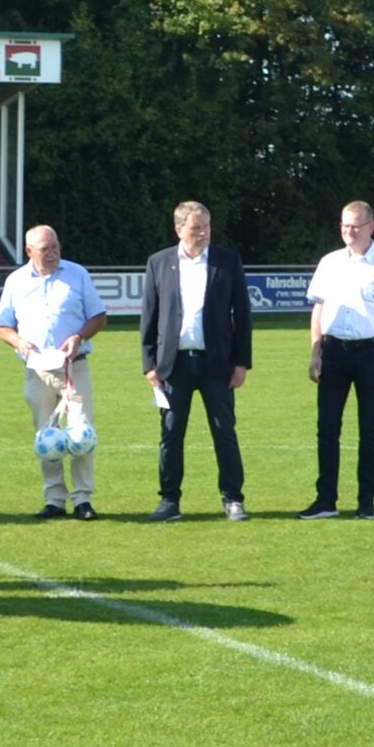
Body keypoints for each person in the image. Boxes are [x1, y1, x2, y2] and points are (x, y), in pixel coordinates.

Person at [141, 201, 254, 521]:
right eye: (195, 227)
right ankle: (169, 501)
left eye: (206, 226)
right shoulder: (159, 262)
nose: (203, 232)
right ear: (179, 230)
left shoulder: (227, 261)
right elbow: (149, 316)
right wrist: (149, 363)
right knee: (171, 434)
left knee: (224, 432)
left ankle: (233, 499)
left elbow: (243, 315)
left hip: (216, 364)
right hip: (172, 366)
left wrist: (241, 362)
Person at [299, 201, 374, 521]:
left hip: (371, 355)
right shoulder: (329, 263)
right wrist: (315, 353)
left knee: (368, 431)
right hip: (333, 353)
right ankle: (326, 500)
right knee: (327, 429)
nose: (350, 231)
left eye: (356, 225)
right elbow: (318, 310)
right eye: (345, 225)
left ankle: (366, 503)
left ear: (371, 227)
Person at [0, 224, 108, 520]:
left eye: (55, 246)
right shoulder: (16, 281)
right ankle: (54, 499)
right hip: (36, 371)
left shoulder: (77, 274)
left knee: (82, 433)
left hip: (75, 366)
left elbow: (98, 315)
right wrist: (19, 342)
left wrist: (79, 337)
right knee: (47, 437)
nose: (53, 253)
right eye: (46, 249)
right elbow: (2, 325)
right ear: (29, 251)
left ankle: (83, 500)